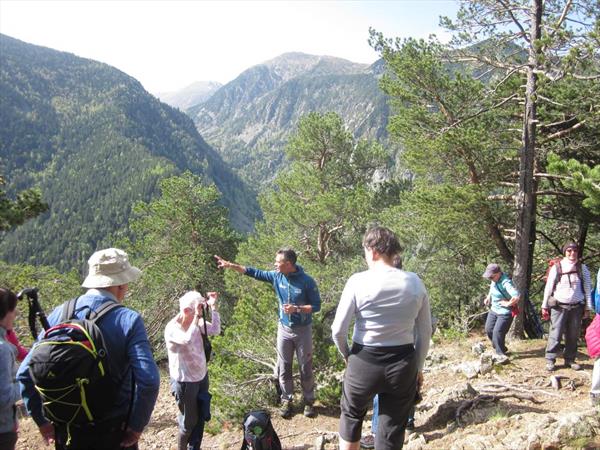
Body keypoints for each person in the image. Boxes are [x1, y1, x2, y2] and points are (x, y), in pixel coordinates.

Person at [17, 248, 160, 450]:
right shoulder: (128, 320)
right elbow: (149, 381)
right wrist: (136, 426)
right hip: (113, 432)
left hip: (66, 432)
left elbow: (24, 374)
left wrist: (42, 422)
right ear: (119, 284)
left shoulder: (59, 313)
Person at [332, 226, 432, 450]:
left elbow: (338, 330)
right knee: (392, 428)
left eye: (365, 251)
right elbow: (425, 333)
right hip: (402, 363)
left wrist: (348, 356)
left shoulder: (357, 281)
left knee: (351, 416)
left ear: (373, 250)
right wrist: (418, 367)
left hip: (363, 360)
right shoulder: (415, 282)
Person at [214, 249, 321, 418]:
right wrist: (230, 265)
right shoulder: (276, 276)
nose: (275, 264)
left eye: (278, 262)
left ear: (288, 264)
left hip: (303, 331)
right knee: (284, 367)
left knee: (305, 367)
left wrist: (297, 309)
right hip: (284, 330)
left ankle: (308, 401)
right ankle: (287, 399)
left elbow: (316, 306)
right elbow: (254, 272)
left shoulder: (307, 281)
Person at [165, 290, 221, 450]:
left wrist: (213, 308)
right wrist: (197, 318)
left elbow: (216, 329)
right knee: (188, 423)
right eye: (199, 308)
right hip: (184, 382)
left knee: (201, 415)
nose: (201, 312)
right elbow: (187, 340)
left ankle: (194, 447)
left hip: (202, 377)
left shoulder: (198, 323)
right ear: (186, 310)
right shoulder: (172, 329)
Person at [541, 242, 592, 372]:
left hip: (577, 307)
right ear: (565, 252)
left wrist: (588, 308)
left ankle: (570, 359)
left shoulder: (583, 268)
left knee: (573, 335)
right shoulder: (557, 267)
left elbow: (587, 289)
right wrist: (544, 305)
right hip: (559, 306)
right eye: (569, 250)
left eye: (574, 250)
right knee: (555, 333)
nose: (572, 253)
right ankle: (550, 359)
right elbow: (549, 287)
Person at [482, 263, 520, 361]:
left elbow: (516, 296)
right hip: (494, 309)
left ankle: (500, 355)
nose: (490, 278)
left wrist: (508, 304)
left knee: (497, 332)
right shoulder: (494, 280)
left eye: (491, 276)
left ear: (498, 273)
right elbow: (492, 287)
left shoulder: (506, 282)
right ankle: (501, 347)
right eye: (489, 277)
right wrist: (488, 297)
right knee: (489, 329)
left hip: (505, 313)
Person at [0, 288, 21, 450]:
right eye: (13, 310)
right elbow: (4, 397)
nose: (15, 315)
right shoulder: (3, 350)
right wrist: (25, 379)